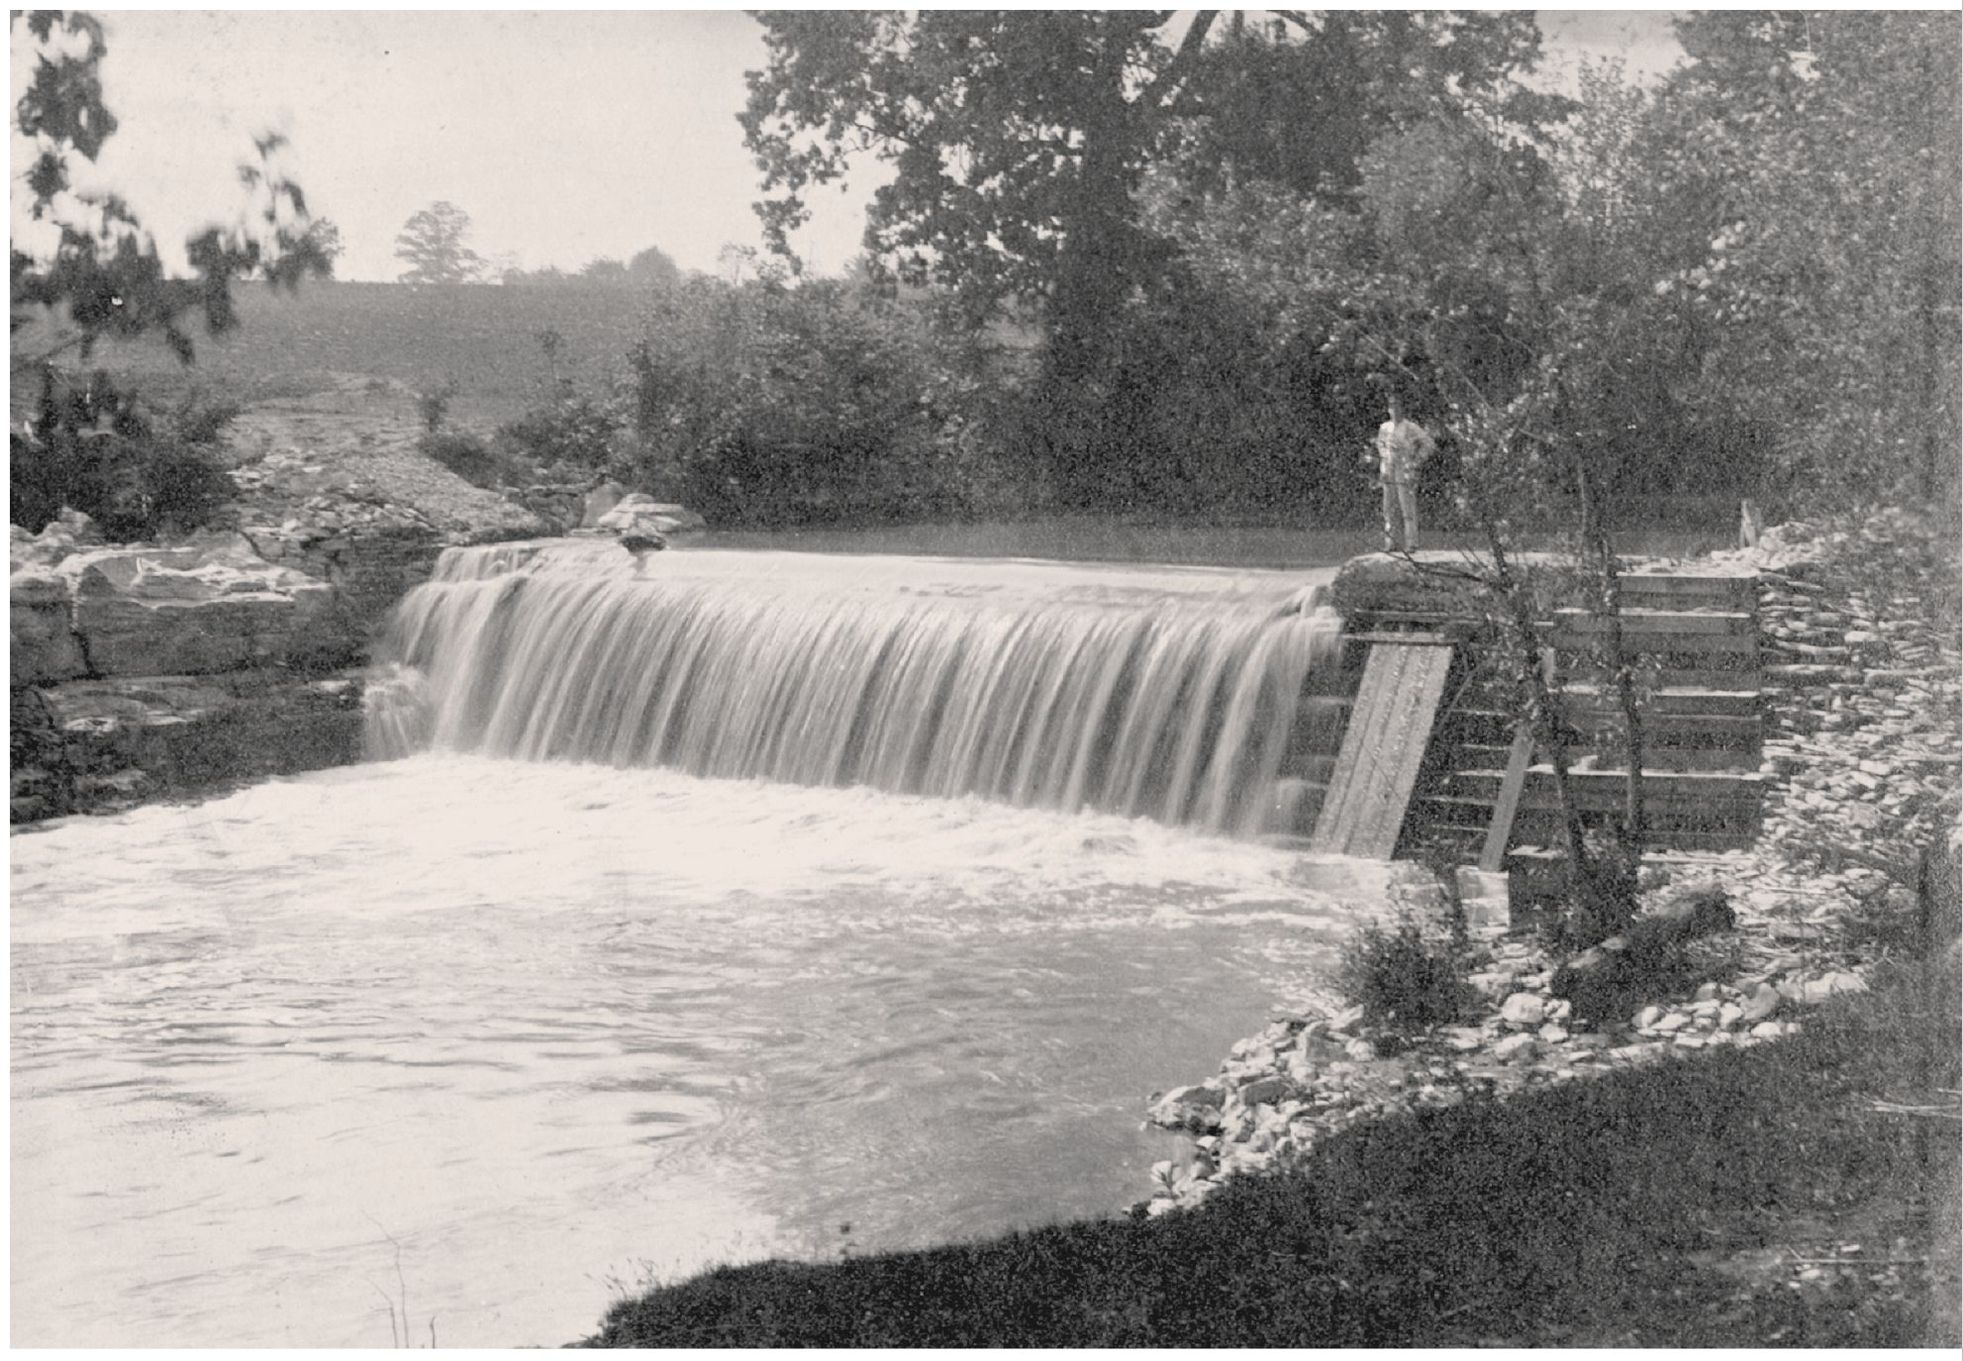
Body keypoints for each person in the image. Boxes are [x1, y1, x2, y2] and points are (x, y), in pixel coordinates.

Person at [1369, 392, 1435, 552]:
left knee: (1407, 508)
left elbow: (1429, 444)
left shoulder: (1410, 427)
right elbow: (1381, 447)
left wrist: (1416, 460)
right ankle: (1390, 542)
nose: (1394, 410)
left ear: (1403, 409)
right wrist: (1382, 468)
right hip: (1389, 468)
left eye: (1397, 406)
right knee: (1389, 508)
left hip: (1404, 468)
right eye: (1392, 407)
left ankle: (1411, 543)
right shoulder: (1385, 428)